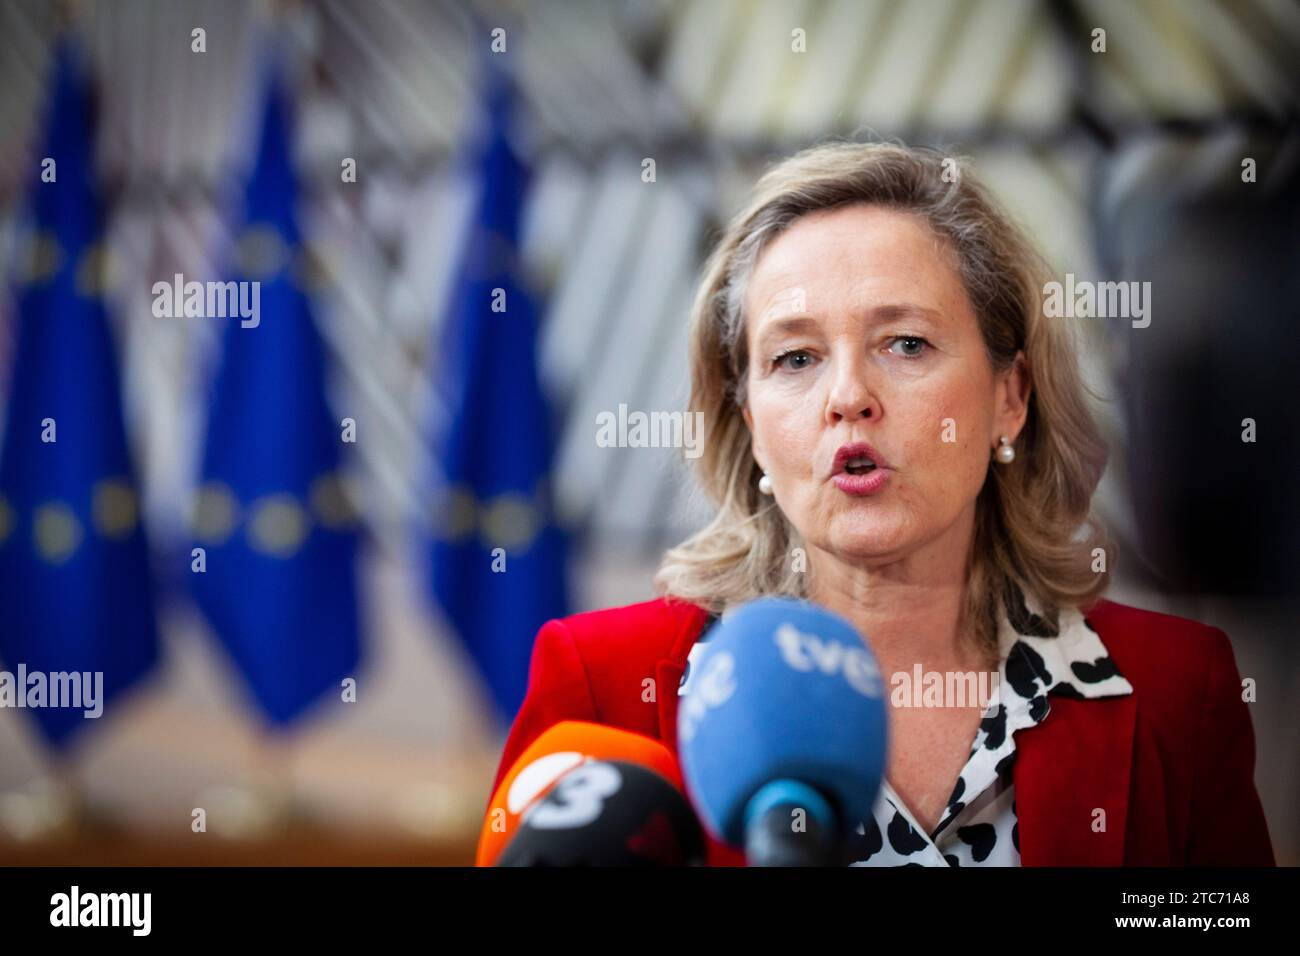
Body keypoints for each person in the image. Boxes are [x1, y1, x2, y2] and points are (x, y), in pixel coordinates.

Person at [487, 141, 1275, 866]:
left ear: (1010, 397)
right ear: (751, 423)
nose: (849, 398)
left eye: (905, 344)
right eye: (795, 357)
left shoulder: (1178, 690)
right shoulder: (606, 686)